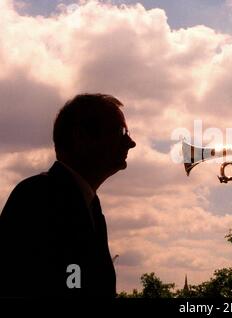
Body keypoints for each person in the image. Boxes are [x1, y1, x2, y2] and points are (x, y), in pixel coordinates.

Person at [0, 94, 136, 298]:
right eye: (121, 131)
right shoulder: (38, 198)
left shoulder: (85, 204)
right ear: (82, 137)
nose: (131, 142)